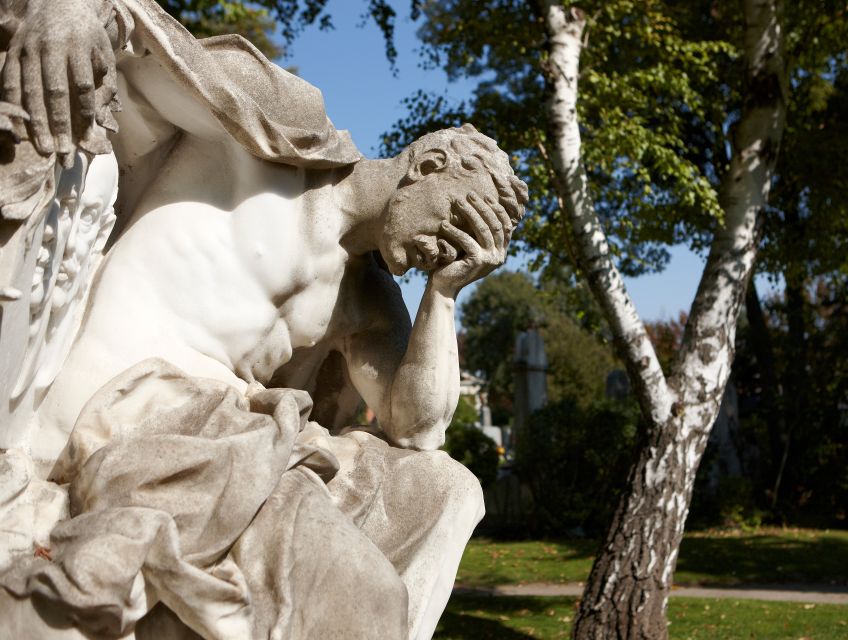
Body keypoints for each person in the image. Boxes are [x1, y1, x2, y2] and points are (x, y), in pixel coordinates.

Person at [0, 0, 528, 637]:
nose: (447, 249)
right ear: (430, 165)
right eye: (459, 224)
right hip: (117, 410)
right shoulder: (276, 135)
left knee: (444, 491)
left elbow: (420, 434)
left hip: (220, 444)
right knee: (354, 595)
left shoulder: (365, 303)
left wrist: (444, 295)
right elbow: (140, 40)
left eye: (470, 250)